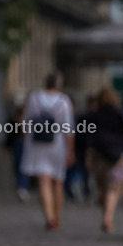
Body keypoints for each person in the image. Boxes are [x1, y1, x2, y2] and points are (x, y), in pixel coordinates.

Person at [20, 72, 75, 231]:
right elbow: (69, 129)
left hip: (37, 143)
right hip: (57, 144)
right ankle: (57, 216)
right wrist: (70, 150)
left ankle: (49, 216)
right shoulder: (64, 101)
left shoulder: (34, 97)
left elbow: (25, 122)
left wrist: (26, 138)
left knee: (44, 181)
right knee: (57, 181)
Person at [85, 87, 123, 233]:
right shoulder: (120, 115)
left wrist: (87, 155)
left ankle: (106, 216)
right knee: (114, 188)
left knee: (102, 188)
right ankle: (108, 218)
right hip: (117, 156)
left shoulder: (93, 116)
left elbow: (88, 137)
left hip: (98, 155)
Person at [5, 102, 30, 202]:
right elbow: (9, 135)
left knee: (25, 167)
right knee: (17, 166)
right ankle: (20, 187)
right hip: (17, 145)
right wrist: (8, 146)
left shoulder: (30, 121)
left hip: (26, 146)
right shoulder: (13, 121)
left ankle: (23, 187)